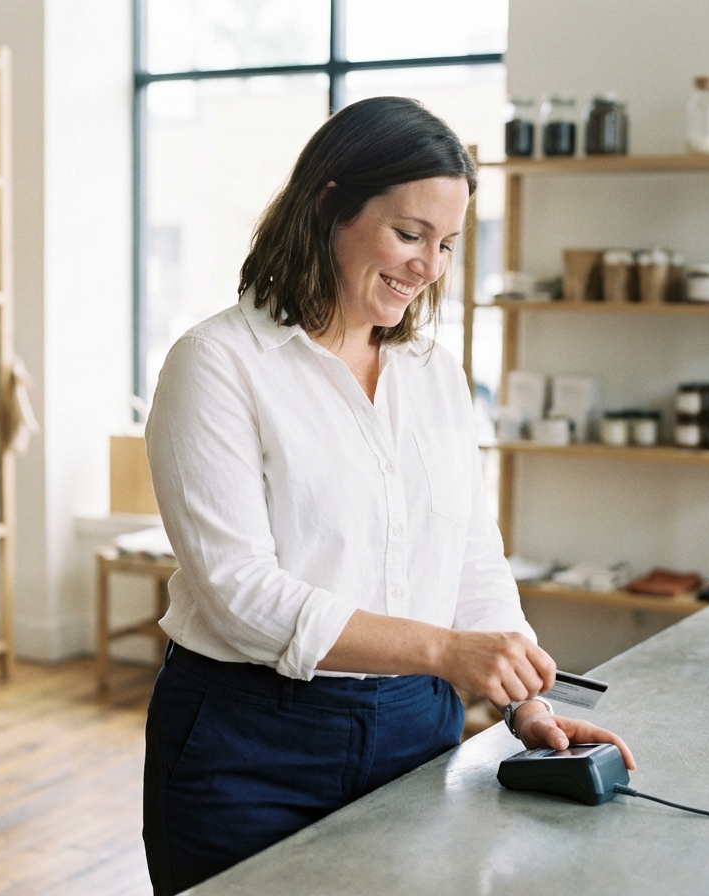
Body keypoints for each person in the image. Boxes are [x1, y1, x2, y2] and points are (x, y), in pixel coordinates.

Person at [141, 96, 634, 896]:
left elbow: (470, 555)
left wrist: (526, 704)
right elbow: (239, 595)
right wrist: (446, 652)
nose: (429, 267)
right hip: (248, 747)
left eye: (447, 244)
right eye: (409, 234)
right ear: (329, 206)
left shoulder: (434, 373)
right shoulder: (217, 363)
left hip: (416, 729)